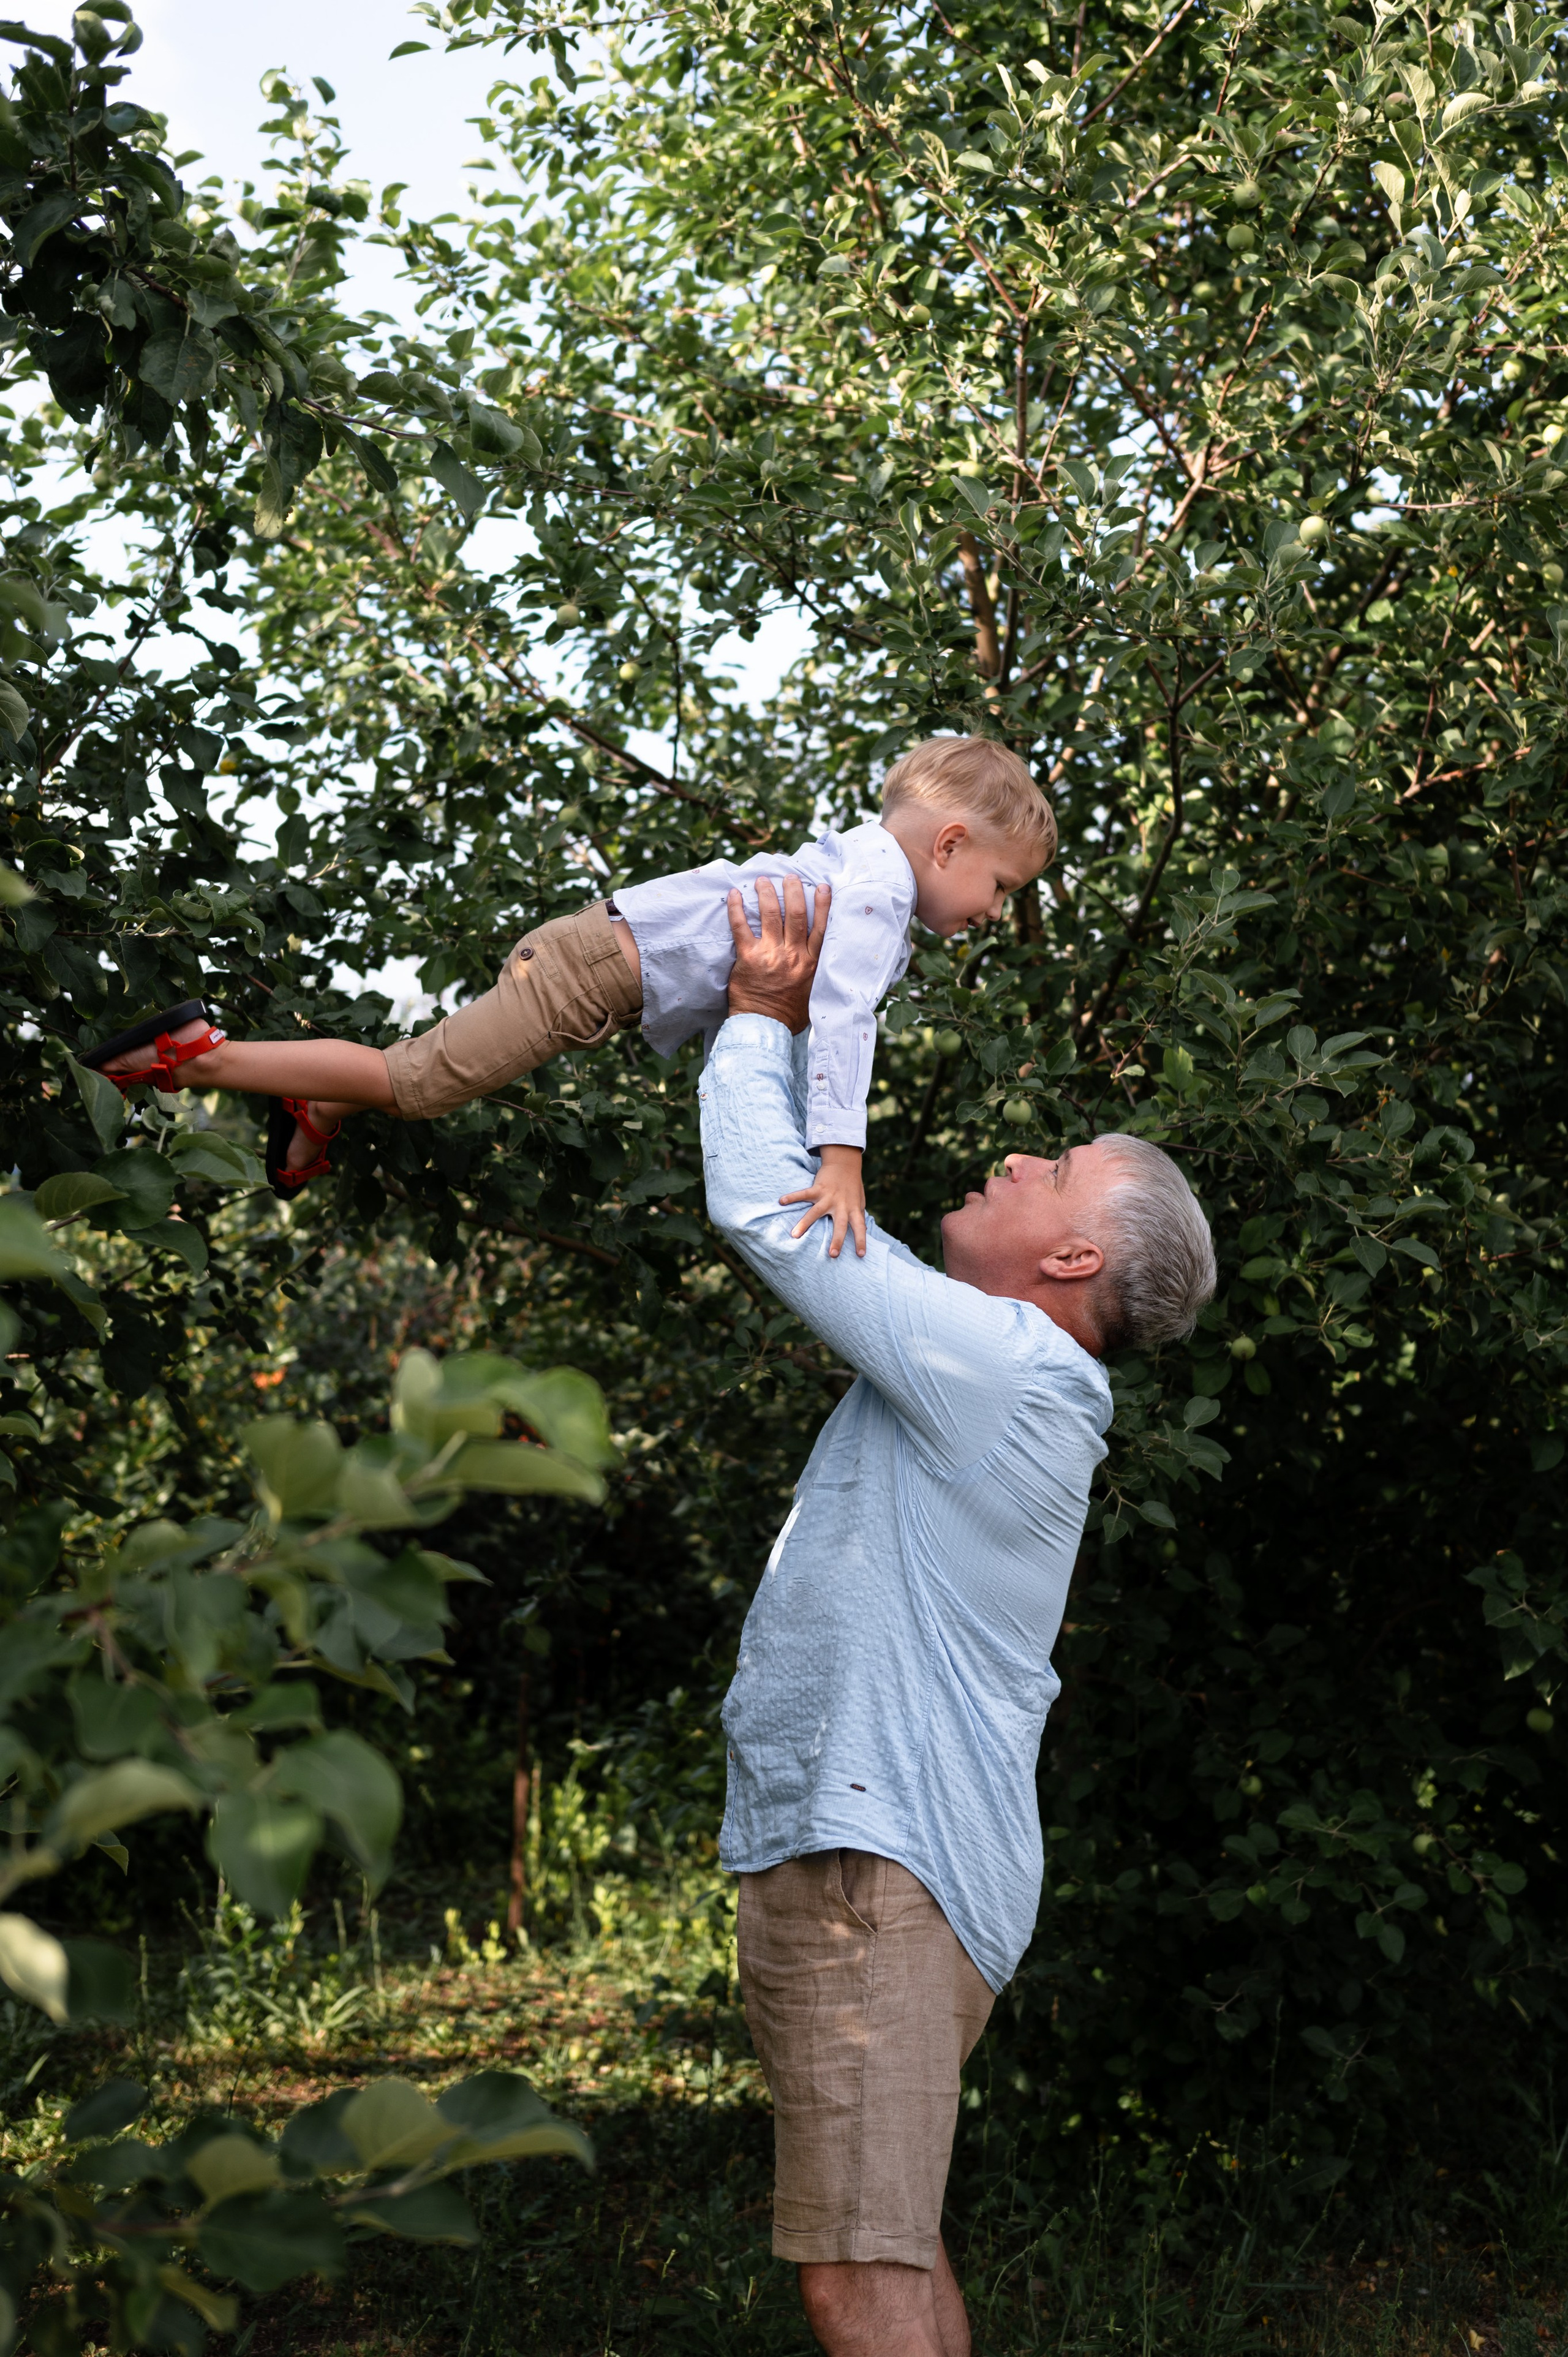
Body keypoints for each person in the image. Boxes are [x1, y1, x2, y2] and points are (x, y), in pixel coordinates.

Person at [704, 877, 1216, 2357]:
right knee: (894, 2241)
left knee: (856, 2271)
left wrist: (754, 1016)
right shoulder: (1003, 1373)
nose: (1010, 1156)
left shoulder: (1007, 1367)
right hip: (893, 1862)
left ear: (1071, 1262)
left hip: (885, 1866)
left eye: (1050, 1167)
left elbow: (766, 1208)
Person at [88, 736, 1051, 1244]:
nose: (996, 912)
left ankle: (320, 1101)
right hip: (594, 969)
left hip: (595, 966)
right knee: (422, 1080)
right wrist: (839, 1160)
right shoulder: (880, 896)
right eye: (1001, 889)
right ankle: (187, 1056)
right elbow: (839, 1019)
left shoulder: (863, 870)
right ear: (951, 844)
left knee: (423, 1073)